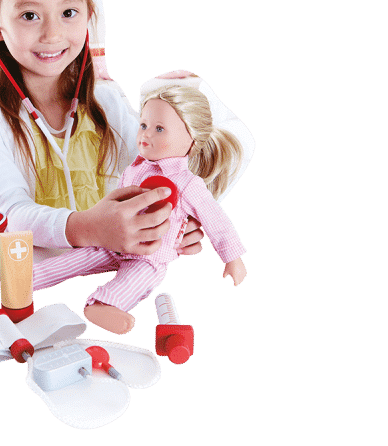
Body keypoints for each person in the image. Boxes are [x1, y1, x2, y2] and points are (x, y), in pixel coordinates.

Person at [0, 0, 213, 260]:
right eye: (30, 15)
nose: (52, 34)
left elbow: (155, 172)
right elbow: (9, 214)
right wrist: (89, 227)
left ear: (89, 17)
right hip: (34, 279)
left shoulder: (107, 100)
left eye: (68, 13)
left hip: (114, 270)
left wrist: (179, 220)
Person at [33, 85, 248, 334]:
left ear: (191, 139)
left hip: (150, 256)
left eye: (159, 129)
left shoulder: (189, 184)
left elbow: (216, 221)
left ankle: (104, 304)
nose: (146, 134)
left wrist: (232, 258)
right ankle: (29, 278)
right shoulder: (134, 169)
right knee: (75, 258)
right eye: (144, 125)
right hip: (112, 242)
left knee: (135, 279)